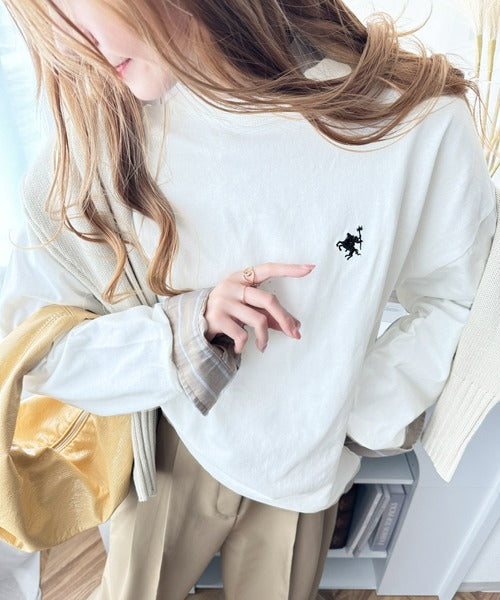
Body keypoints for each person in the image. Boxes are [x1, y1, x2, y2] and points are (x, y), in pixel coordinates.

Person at [0, 1, 496, 598]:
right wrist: (181, 335)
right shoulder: (96, 141)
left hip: (303, 473)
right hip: (173, 444)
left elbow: (453, 300)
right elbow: (32, 349)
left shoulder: (412, 121)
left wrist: (355, 410)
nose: (67, 44)